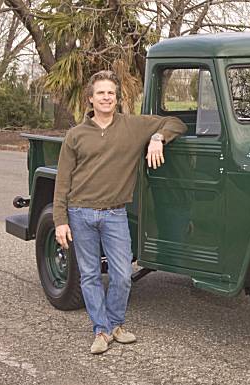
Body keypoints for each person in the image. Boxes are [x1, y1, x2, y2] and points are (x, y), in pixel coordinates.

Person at [53, 70, 187, 354]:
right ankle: (101, 330)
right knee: (89, 275)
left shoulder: (133, 127)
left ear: (117, 98)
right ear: (90, 99)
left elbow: (175, 122)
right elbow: (62, 181)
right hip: (81, 213)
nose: (105, 97)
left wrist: (158, 138)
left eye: (110, 93)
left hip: (115, 215)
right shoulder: (75, 135)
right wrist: (60, 221)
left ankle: (115, 324)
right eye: (100, 93)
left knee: (122, 274)